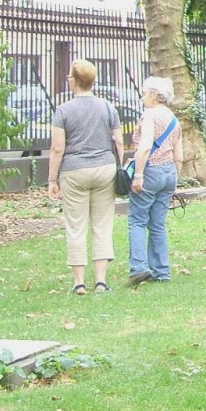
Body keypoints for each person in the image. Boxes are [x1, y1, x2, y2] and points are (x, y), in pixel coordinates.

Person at [48, 59, 123, 293]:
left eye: (70, 77)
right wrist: (119, 164)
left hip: (74, 170)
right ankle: (100, 280)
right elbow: (118, 140)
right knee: (102, 225)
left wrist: (52, 179)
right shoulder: (108, 107)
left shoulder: (64, 110)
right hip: (104, 168)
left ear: (74, 81)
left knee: (75, 226)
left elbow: (57, 148)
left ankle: (79, 282)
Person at [126, 76, 182, 288]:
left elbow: (145, 146)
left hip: (150, 171)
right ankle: (162, 271)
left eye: (144, 93)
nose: (142, 97)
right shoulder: (174, 119)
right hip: (169, 172)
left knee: (137, 220)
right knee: (157, 224)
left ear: (153, 94)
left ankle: (138, 267)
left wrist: (138, 174)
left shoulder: (149, 115)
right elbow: (179, 154)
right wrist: (174, 180)